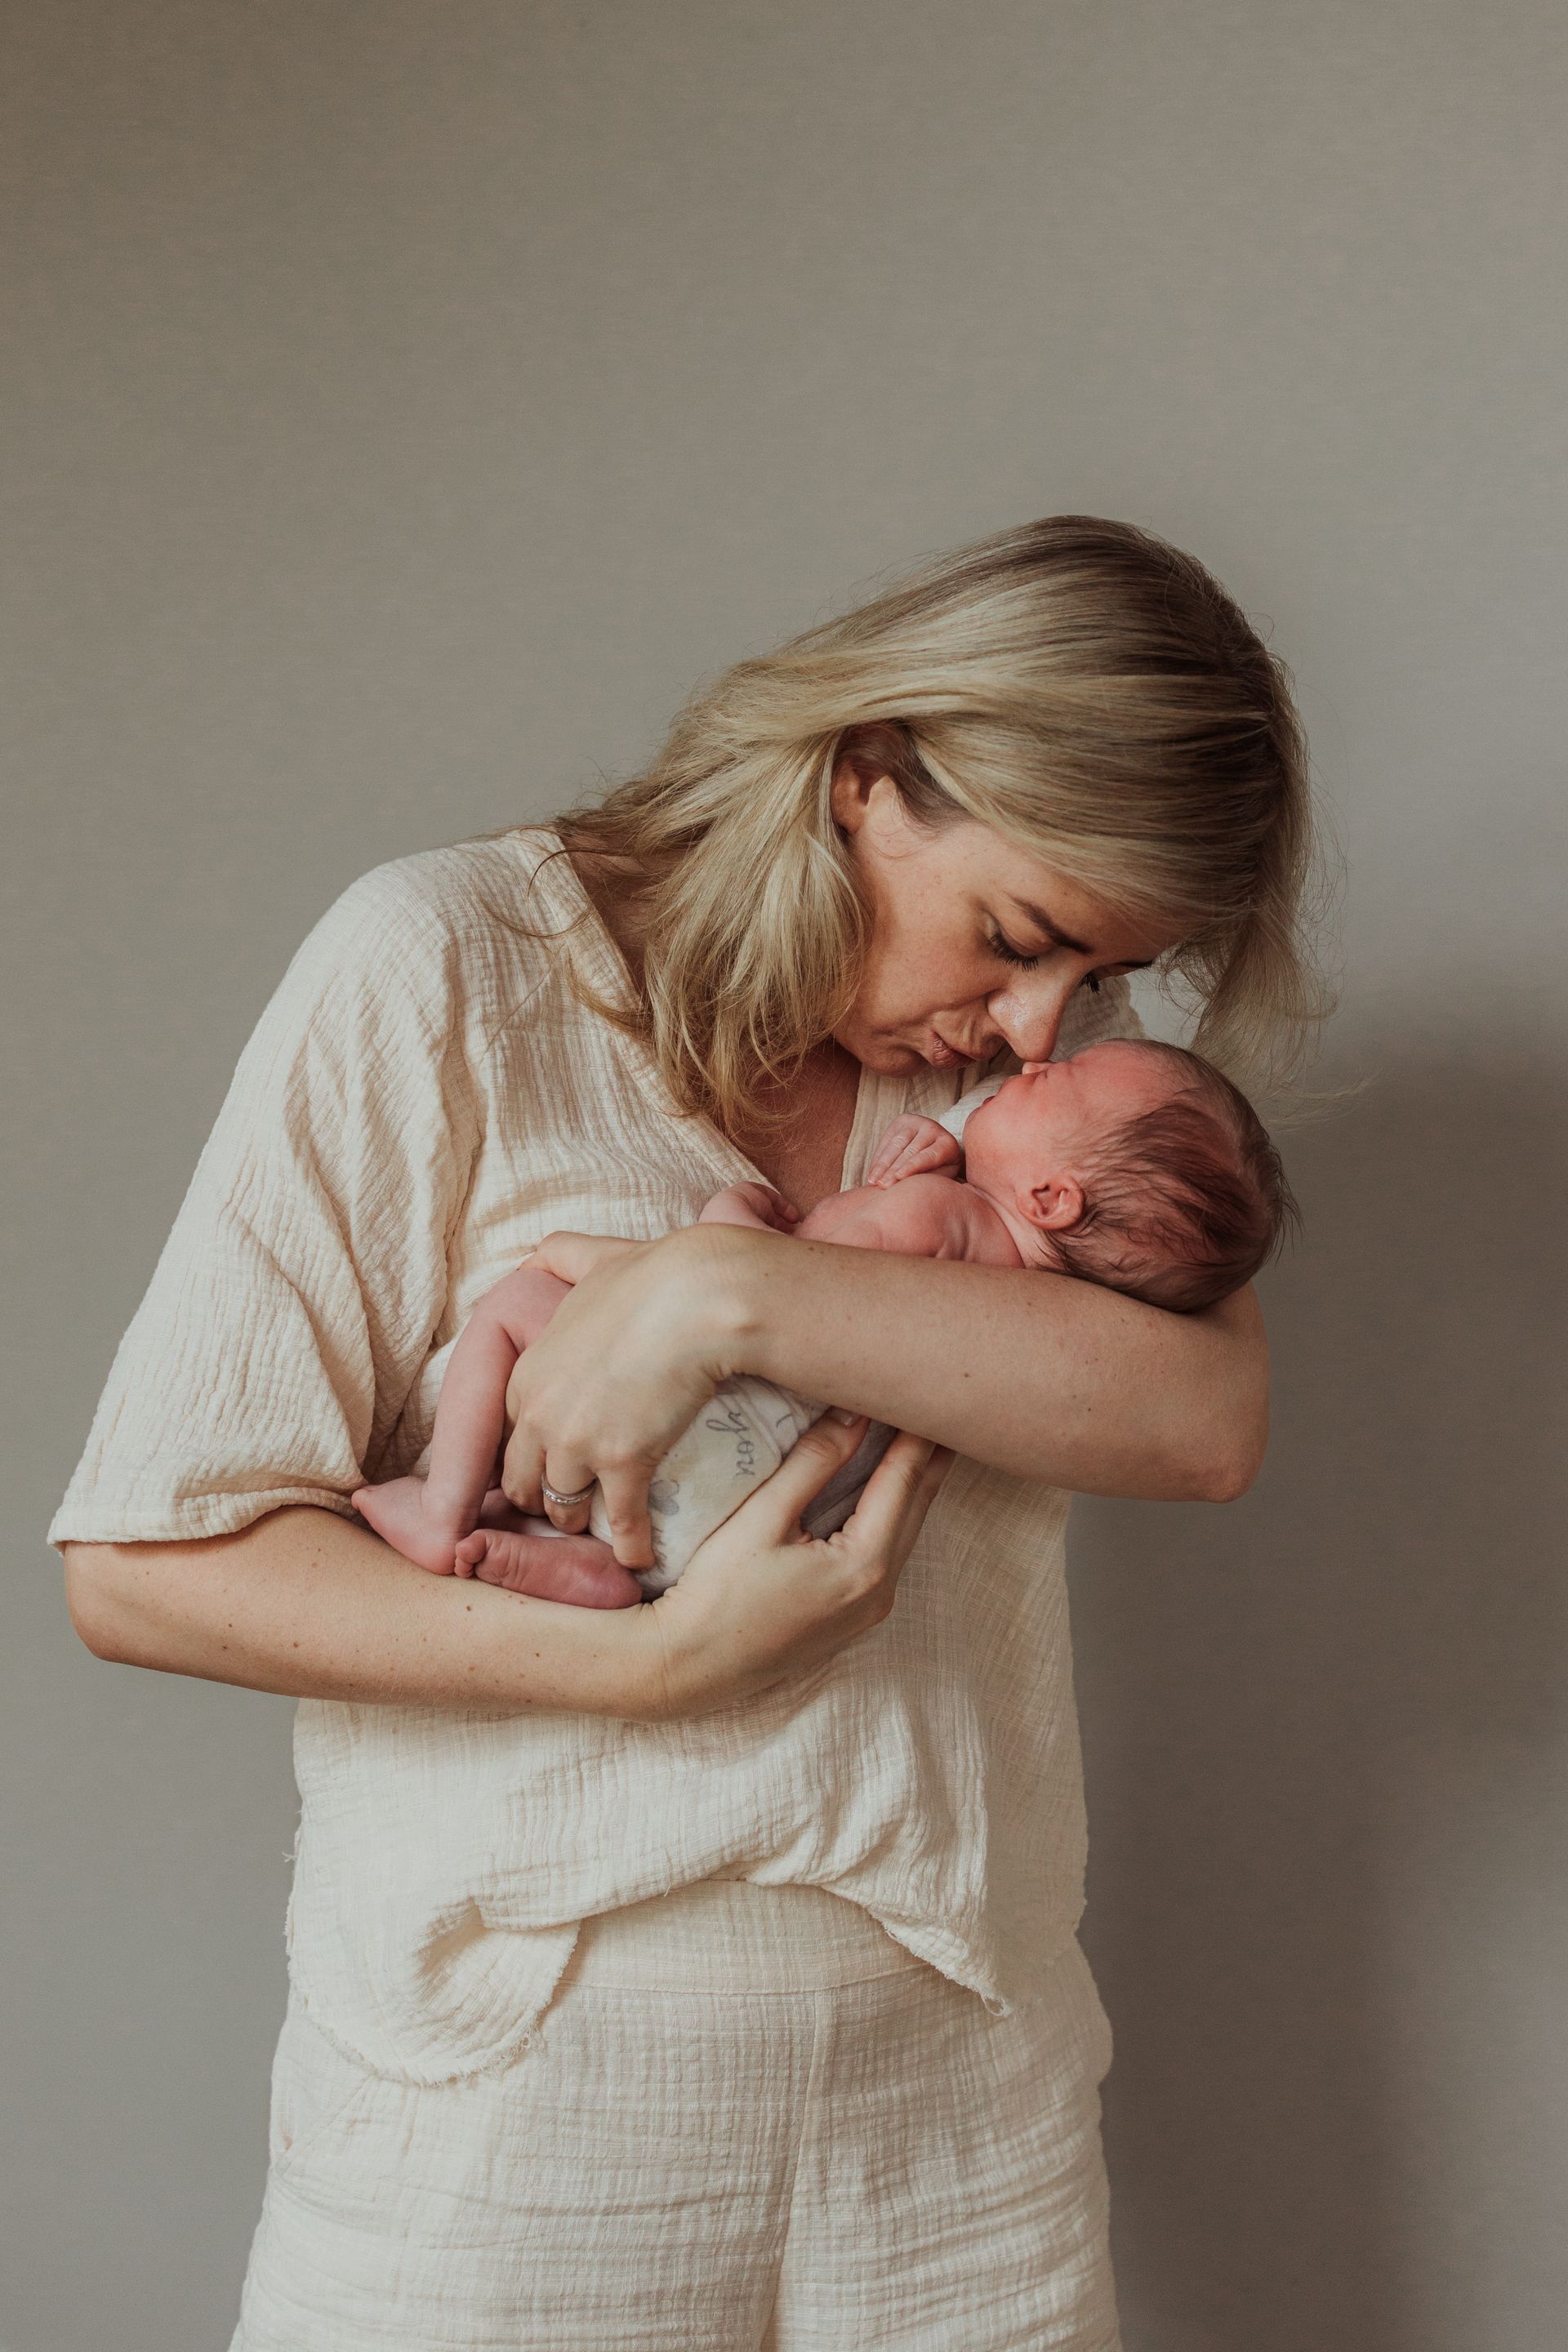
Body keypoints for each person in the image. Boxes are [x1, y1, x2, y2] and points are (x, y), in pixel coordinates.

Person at [55, 515, 1324, 2350]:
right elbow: (145, 1569)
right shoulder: (447, 964)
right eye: (1025, 938)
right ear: (870, 776)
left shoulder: (1030, 1089)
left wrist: (733, 1300)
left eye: (1105, 973)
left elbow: (1206, 1418)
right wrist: (643, 1674)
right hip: (520, 2092)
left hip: (963, 2103)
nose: (1044, 1019)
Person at [354, 1037, 1296, 1605]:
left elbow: (772, 1289)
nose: (1038, 1054)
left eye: (1058, 1080)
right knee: (620, 1561)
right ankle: (592, 1576)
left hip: (713, 1431)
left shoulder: (934, 1216)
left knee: (520, 1303)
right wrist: (960, 1138)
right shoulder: (1046, 1307)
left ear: (1050, 1197)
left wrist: (727, 1217)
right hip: (749, 1523)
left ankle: (445, 1511)